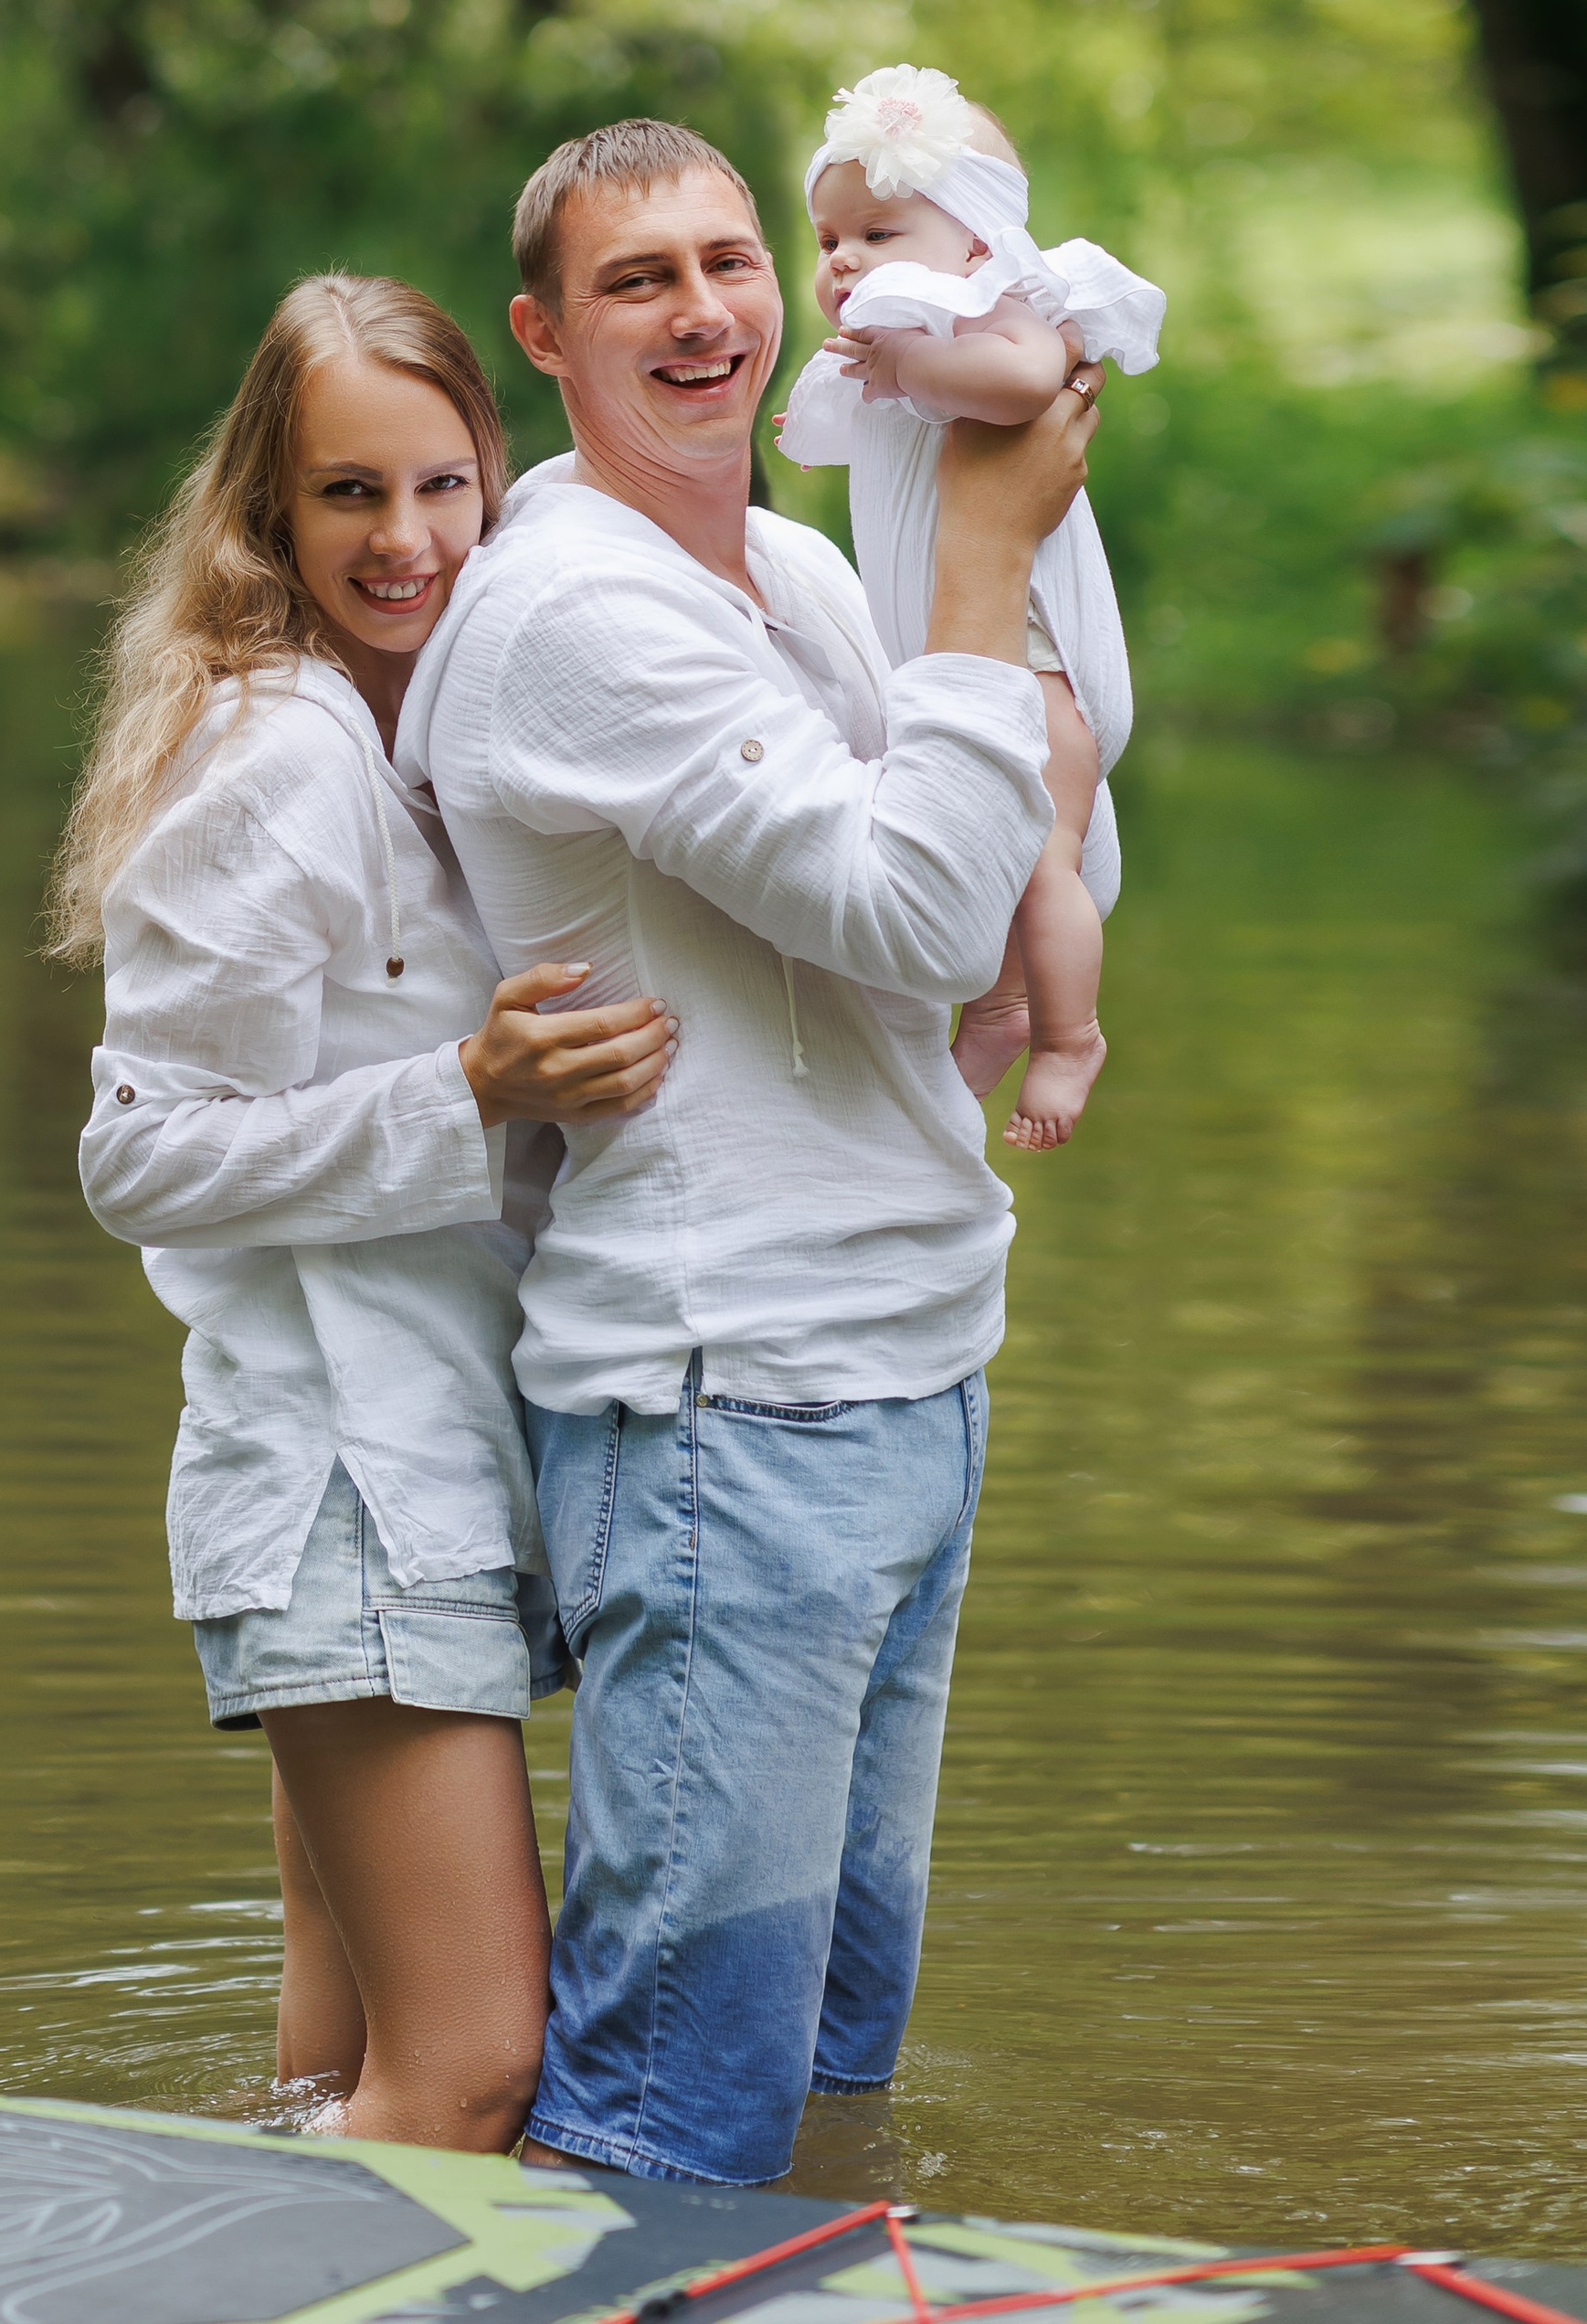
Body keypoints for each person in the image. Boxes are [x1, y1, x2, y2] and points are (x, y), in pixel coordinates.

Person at [395, 118, 1101, 2191]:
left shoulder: (794, 571)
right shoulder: (569, 613)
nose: (702, 311)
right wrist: (981, 565)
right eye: (637, 279)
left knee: (826, 2078)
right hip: (729, 1409)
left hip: (910, 1360)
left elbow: (986, 889)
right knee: (671, 2117)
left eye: (729, 260)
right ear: (543, 335)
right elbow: (912, 913)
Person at [57, 272, 675, 2153]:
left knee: (336, 2082)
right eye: (347, 494)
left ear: (497, 479)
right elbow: (138, 1156)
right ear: (269, 507)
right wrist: (466, 1090)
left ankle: (234, 2264)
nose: (404, 540)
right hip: (344, 1489)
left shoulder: (420, 733)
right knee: (470, 2075)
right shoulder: (277, 754)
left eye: (439, 487)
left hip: (418, 1472)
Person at [778, 63, 1165, 1146]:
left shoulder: (998, 312)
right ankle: (997, 1006)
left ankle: (1067, 1035)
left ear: (978, 243)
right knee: (993, 848)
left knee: (1038, 860)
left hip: (1033, 658)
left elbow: (1030, 381)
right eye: (829, 239)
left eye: (878, 234)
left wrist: (907, 363)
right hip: (958, 650)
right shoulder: (920, 331)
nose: (844, 260)